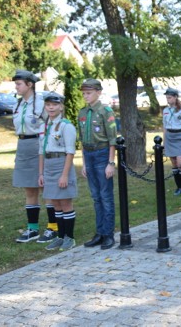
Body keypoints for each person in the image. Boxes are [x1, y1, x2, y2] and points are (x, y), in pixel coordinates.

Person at [12, 70, 58, 244]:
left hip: (39, 145)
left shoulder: (42, 102)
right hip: (23, 145)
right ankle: (32, 229)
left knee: (46, 187)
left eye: (19, 83)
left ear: (29, 84)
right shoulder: (18, 104)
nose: (16, 86)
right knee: (29, 189)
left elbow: (53, 123)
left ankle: (53, 227)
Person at [78, 79, 118, 250]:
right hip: (89, 154)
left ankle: (108, 234)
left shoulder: (105, 111)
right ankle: (100, 233)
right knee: (95, 197)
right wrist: (84, 163)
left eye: (89, 93)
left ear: (98, 92)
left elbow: (112, 139)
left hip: (102, 155)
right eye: (84, 93)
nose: (86, 96)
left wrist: (111, 162)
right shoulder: (83, 112)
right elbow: (82, 139)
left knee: (105, 196)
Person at [37, 92, 78, 251]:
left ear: (61, 107)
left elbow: (70, 152)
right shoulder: (45, 126)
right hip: (48, 165)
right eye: (48, 105)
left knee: (65, 202)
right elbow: (41, 151)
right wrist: (41, 173)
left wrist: (65, 174)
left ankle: (69, 237)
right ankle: (60, 236)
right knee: (54, 202)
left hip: (61, 164)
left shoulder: (66, 126)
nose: (51, 107)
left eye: (54, 104)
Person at [163, 88, 181, 197]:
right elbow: (164, 127)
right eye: (167, 98)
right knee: (174, 163)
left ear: (175, 97)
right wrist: (164, 141)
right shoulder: (165, 110)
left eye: (169, 97)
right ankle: (179, 187)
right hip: (169, 136)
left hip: (179, 136)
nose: (168, 100)